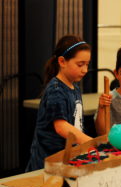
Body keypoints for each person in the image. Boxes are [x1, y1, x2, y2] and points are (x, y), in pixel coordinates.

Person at [26, 35, 93, 171]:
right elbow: (61, 127)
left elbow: (76, 125)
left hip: (66, 161)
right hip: (47, 163)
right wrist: (91, 143)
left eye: (87, 64)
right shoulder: (55, 90)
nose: (85, 70)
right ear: (62, 61)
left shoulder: (75, 88)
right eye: (80, 64)